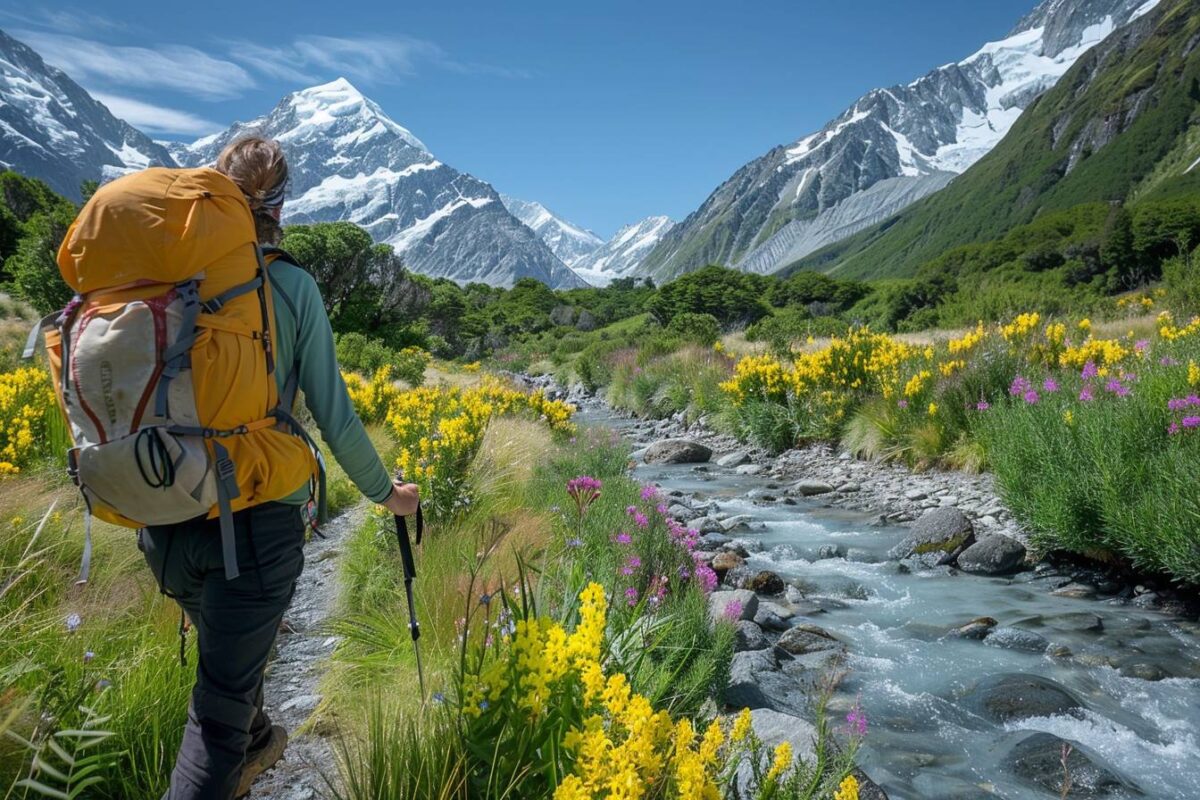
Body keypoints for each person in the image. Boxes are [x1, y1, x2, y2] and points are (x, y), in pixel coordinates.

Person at [137, 136, 420, 799]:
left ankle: (257, 739)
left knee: (233, 686)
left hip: (162, 525)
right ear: (282, 203)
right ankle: (245, 743)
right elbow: (337, 419)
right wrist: (389, 496)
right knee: (214, 724)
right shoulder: (289, 285)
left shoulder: (171, 281)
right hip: (256, 532)